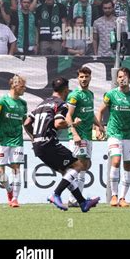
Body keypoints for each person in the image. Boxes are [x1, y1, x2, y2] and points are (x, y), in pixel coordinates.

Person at [23, 77, 100, 212]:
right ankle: (56, 194)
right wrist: (72, 123)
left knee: (67, 173)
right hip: (49, 142)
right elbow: (58, 123)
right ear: (66, 90)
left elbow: (27, 123)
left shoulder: (42, 103)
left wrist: (34, 138)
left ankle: (82, 203)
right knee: (78, 165)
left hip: (38, 146)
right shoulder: (61, 104)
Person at [96, 67, 130, 207]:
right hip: (114, 132)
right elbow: (100, 111)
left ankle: (122, 198)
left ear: (129, 78)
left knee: (128, 165)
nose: (121, 79)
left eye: (124, 77)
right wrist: (98, 127)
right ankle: (113, 196)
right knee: (116, 160)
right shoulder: (111, 95)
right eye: (119, 77)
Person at [66, 66, 105, 207]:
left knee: (84, 167)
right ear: (78, 78)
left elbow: (90, 113)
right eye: (81, 77)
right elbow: (68, 115)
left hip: (87, 135)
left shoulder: (90, 94)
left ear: (90, 77)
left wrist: (99, 125)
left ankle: (74, 199)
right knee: (79, 166)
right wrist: (75, 133)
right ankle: (74, 199)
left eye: (86, 76)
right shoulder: (74, 95)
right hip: (78, 136)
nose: (84, 79)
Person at [0, 75, 27, 207]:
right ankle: (9, 190)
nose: (24, 89)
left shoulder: (23, 103)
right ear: (14, 85)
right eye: (22, 86)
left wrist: (33, 136)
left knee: (16, 168)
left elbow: (24, 121)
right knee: (0, 172)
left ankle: (15, 199)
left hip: (17, 140)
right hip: (2, 139)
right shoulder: (2, 101)